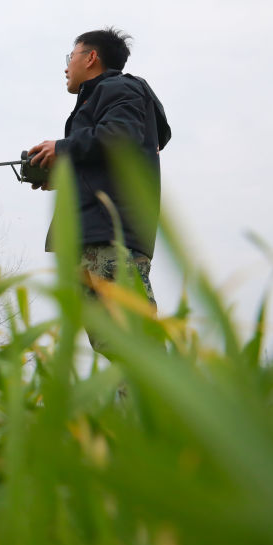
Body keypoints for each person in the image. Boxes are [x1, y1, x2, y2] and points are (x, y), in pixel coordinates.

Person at [27, 28, 171, 351]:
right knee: (114, 344)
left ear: (91, 58)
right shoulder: (107, 96)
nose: (66, 67)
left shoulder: (121, 89)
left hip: (111, 240)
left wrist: (62, 149)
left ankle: (170, 402)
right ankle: (146, 402)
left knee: (135, 344)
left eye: (71, 56)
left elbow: (119, 136)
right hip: (95, 239)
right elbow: (108, 157)